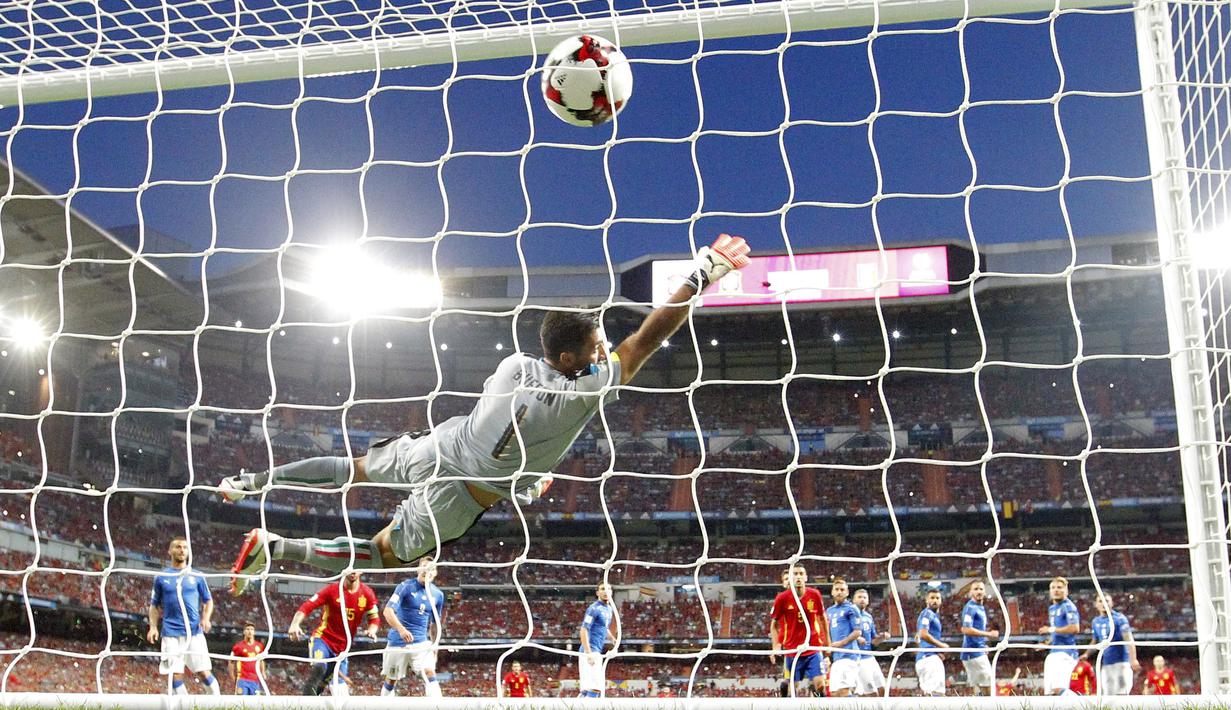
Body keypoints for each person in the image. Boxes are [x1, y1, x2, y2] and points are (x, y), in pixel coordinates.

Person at [220, 235, 751, 591]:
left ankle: (254, 480)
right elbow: (645, 340)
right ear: (568, 359)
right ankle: (277, 545)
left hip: (440, 446)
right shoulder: (583, 392)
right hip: (461, 494)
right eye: (594, 347)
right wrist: (703, 274)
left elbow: (514, 424)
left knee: (356, 467)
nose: (602, 350)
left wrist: (527, 476)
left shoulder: (512, 364)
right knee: (385, 555)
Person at [147, 537, 221, 696]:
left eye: (185, 547)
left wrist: (206, 618)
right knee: (175, 676)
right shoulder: (161, 577)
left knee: (204, 674)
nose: (181, 550)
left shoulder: (197, 576)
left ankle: (216, 702)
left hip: (194, 633)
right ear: (170, 551)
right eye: (178, 547)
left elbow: (208, 601)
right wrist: (153, 627)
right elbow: (154, 605)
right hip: (170, 634)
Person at [289, 572, 380, 696]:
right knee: (319, 667)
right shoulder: (332, 590)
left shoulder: (367, 593)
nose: (353, 572)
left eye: (356, 569)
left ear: (362, 571)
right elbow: (307, 606)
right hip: (323, 639)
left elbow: (374, 618)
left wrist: (372, 630)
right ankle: (306, 701)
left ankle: (312, 698)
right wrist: (295, 624)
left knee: (337, 691)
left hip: (342, 649)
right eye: (350, 569)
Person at [381, 557, 445, 697]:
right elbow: (387, 611)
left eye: (430, 568)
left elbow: (434, 624)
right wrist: (401, 629)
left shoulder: (438, 595)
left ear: (434, 573)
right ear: (418, 569)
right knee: (391, 680)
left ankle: (438, 706)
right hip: (398, 643)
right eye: (424, 567)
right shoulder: (405, 586)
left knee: (430, 673)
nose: (426, 570)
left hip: (421, 643)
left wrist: (435, 646)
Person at [769, 564, 829, 697]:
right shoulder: (782, 598)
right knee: (791, 688)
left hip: (813, 647)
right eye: (795, 574)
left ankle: (819, 704)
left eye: (801, 574)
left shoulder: (814, 595)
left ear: (806, 577)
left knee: (820, 684)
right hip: (792, 650)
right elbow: (774, 625)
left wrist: (828, 644)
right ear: (790, 578)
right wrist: (776, 646)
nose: (798, 577)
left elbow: (823, 618)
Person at [1037, 577, 1081, 695]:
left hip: (1066, 653)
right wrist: (1047, 644)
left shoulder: (1068, 606)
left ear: (1066, 591)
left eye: (1059, 587)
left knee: (1060, 690)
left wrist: (1051, 629)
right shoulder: (1052, 608)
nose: (1056, 590)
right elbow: (1056, 633)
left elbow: (1075, 628)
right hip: (1054, 653)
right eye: (1053, 588)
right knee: (1050, 692)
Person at [1089, 593, 1140, 695]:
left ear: (1112, 603)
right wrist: (1086, 654)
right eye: (1100, 601)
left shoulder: (1119, 619)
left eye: (1106, 601)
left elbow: (1129, 639)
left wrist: (1133, 659)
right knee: (1108, 697)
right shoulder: (1095, 621)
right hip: (1106, 664)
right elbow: (1095, 641)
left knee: (1122, 694)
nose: (1104, 603)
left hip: (1121, 663)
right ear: (1096, 604)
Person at [959, 580, 999, 695]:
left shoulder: (979, 607)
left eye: (981, 589)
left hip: (975, 650)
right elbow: (966, 629)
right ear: (970, 592)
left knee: (978, 687)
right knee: (988, 686)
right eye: (976, 589)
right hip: (973, 652)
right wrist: (989, 634)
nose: (979, 591)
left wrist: (983, 643)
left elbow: (975, 630)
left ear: (985, 592)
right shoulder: (970, 608)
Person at [578, 582, 617, 698]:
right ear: (597, 593)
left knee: (588, 689)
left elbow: (603, 628)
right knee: (595, 688)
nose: (605, 591)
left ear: (611, 592)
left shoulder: (609, 609)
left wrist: (612, 638)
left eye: (608, 589)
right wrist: (588, 653)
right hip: (590, 651)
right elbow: (583, 630)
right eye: (602, 589)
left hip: (596, 651)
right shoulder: (594, 609)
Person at [826, 578, 864, 697]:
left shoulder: (851, 608)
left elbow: (857, 632)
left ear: (847, 593)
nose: (839, 592)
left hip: (849, 655)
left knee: (844, 691)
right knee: (834, 693)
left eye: (842, 590)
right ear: (832, 592)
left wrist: (841, 643)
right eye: (836, 589)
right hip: (836, 657)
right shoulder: (829, 611)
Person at [852, 587, 890, 697]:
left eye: (864, 597)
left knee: (883, 690)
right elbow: (844, 633)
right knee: (871, 693)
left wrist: (882, 637)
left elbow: (873, 641)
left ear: (868, 601)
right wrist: (857, 638)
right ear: (853, 600)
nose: (862, 600)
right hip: (858, 659)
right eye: (859, 597)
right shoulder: (850, 614)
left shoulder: (868, 617)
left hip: (870, 657)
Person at [915, 587, 949, 697]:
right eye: (932, 598)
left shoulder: (932, 616)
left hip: (927, 657)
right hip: (929, 659)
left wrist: (937, 651)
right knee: (936, 695)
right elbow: (923, 634)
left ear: (941, 600)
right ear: (926, 600)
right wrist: (941, 646)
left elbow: (918, 637)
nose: (935, 600)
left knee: (932, 695)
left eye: (937, 598)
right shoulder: (927, 614)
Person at [230, 622, 265, 695]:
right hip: (242, 679)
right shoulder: (238, 646)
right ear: (244, 632)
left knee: (255, 703)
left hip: (255, 680)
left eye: (252, 629)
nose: (250, 631)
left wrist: (263, 672)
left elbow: (261, 661)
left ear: (254, 632)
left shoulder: (259, 646)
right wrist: (232, 675)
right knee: (241, 702)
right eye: (247, 629)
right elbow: (231, 661)